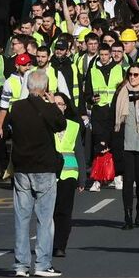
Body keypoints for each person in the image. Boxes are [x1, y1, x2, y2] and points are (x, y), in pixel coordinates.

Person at [6, 69, 67, 277]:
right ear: (45, 88)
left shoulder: (17, 107)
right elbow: (61, 124)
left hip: (22, 166)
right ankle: (42, 264)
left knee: (21, 218)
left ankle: (21, 265)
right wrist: (51, 104)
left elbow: (9, 128)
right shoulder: (48, 108)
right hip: (44, 167)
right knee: (44, 218)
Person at [112, 65, 139, 230]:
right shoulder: (121, 93)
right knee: (128, 180)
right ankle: (127, 216)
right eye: (130, 74)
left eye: (136, 74)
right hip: (126, 142)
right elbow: (112, 117)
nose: (133, 77)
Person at [51, 91, 86, 258]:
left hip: (68, 173)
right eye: (54, 104)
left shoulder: (74, 125)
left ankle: (60, 245)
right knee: (49, 211)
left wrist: (82, 178)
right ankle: (48, 242)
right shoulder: (46, 124)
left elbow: (79, 151)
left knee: (64, 211)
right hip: (49, 172)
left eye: (60, 104)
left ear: (65, 107)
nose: (57, 107)